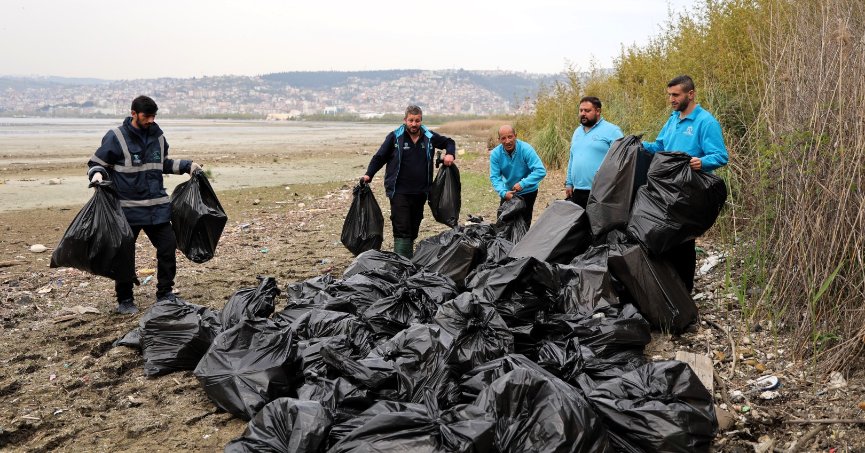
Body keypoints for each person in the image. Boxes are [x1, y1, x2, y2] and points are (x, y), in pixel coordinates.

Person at [87, 95, 202, 314]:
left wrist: (188, 166)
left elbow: (161, 164)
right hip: (127, 211)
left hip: (157, 209)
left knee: (168, 248)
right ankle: (125, 299)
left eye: (153, 116)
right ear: (133, 114)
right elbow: (96, 163)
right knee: (124, 255)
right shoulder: (116, 137)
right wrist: (97, 176)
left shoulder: (158, 137)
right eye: (146, 116)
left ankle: (165, 294)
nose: (151, 120)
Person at [642, 75, 729, 292]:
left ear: (690, 94)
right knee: (661, 238)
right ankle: (666, 292)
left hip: (688, 193)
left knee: (682, 243)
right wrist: (637, 145)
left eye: (675, 95)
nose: (671, 99)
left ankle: (684, 295)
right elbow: (660, 146)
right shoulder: (673, 119)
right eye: (669, 95)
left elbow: (720, 156)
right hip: (664, 190)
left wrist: (702, 162)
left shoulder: (705, 122)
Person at [362, 105, 456, 258]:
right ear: (405, 120)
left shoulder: (429, 137)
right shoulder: (394, 137)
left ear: (421, 121)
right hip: (399, 191)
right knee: (402, 227)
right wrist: (368, 175)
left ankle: (406, 259)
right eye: (411, 120)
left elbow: (449, 142)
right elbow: (379, 157)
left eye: (417, 121)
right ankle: (401, 264)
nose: (414, 124)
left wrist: (450, 154)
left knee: (413, 227)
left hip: (421, 192)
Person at [564, 96, 623, 208]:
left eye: (587, 111)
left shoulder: (612, 131)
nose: (583, 114)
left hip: (601, 191)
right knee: (579, 225)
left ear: (598, 111)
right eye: (581, 110)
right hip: (578, 190)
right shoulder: (577, 131)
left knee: (598, 225)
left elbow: (622, 161)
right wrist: (569, 183)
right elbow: (572, 158)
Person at [489, 125, 547, 227]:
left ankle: (523, 242)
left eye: (510, 137)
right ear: (499, 140)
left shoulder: (526, 149)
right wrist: (503, 192)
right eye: (503, 138)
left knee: (524, 223)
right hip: (508, 192)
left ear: (515, 136)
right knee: (503, 222)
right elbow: (495, 177)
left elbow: (540, 171)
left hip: (528, 191)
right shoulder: (495, 154)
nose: (507, 141)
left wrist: (523, 183)